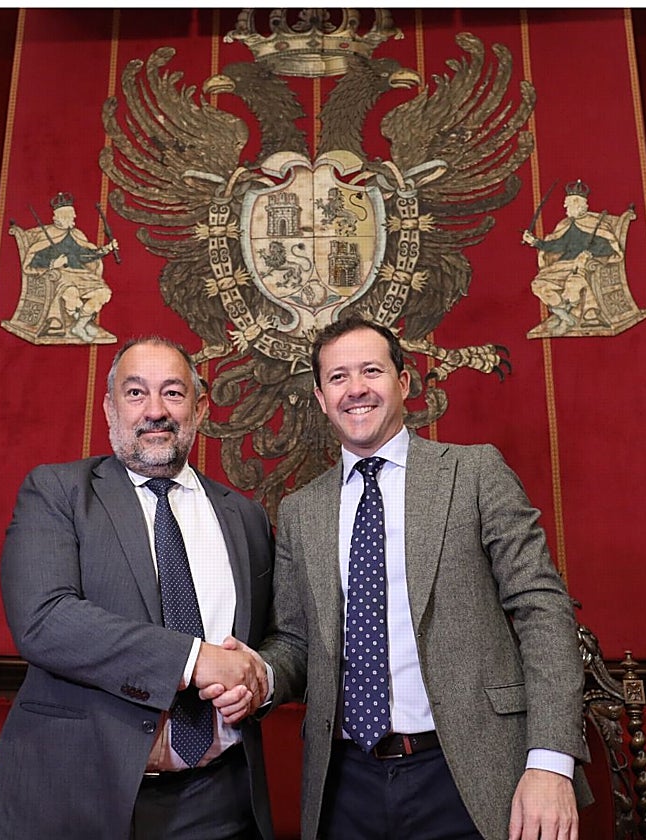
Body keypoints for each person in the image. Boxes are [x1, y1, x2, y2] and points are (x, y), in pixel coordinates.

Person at [236, 316, 590, 840]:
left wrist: (551, 761)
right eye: (337, 378)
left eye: (371, 371)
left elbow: (543, 609)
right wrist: (258, 674)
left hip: (471, 773)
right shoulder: (300, 512)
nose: (355, 389)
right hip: (345, 784)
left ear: (403, 383)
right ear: (319, 397)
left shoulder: (473, 474)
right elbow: (295, 641)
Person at [0, 336, 291, 839]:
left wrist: (260, 678)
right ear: (110, 407)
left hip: (220, 802)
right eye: (136, 393)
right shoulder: (57, 492)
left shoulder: (245, 516)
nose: (155, 411)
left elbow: (279, 639)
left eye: (173, 393)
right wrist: (193, 659)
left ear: (200, 407)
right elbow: (43, 620)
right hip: (77, 797)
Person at [522, 179, 622, 335]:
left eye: (567, 204)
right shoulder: (567, 224)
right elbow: (557, 245)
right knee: (539, 285)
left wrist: (589, 254)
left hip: (583, 265)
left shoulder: (596, 224)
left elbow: (606, 247)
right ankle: (565, 316)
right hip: (563, 265)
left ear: (578, 205)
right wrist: (535, 242)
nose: (564, 207)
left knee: (573, 284)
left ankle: (582, 315)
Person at [22, 191, 118, 343]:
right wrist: (54, 264)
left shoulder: (76, 234)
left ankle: (80, 325)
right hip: (59, 275)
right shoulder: (46, 235)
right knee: (72, 292)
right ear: (62, 217)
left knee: (103, 293)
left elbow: (86, 254)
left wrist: (106, 249)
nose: (74, 218)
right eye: (71, 216)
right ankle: (80, 321)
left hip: (80, 274)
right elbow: (33, 261)